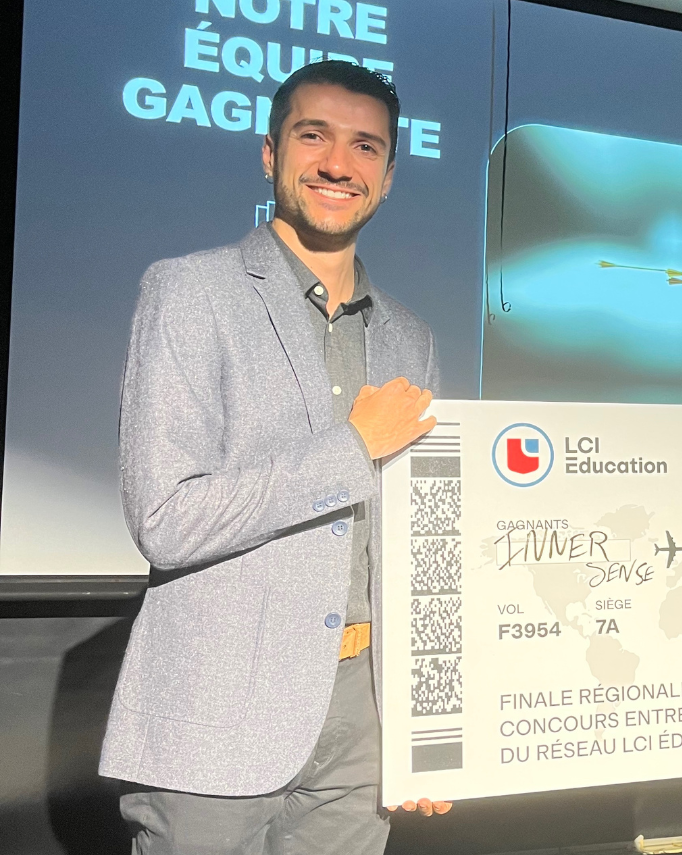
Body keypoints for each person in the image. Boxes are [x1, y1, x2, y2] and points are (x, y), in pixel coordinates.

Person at [100, 61, 449, 854]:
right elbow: (166, 519)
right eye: (313, 136)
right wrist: (352, 447)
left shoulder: (410, 337)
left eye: (365, 147)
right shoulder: (190, 291)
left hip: (364, 719)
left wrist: (427, 723)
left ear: (388, 176)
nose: (338, 163)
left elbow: (418, 548)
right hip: (215, 713)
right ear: (269, 153)